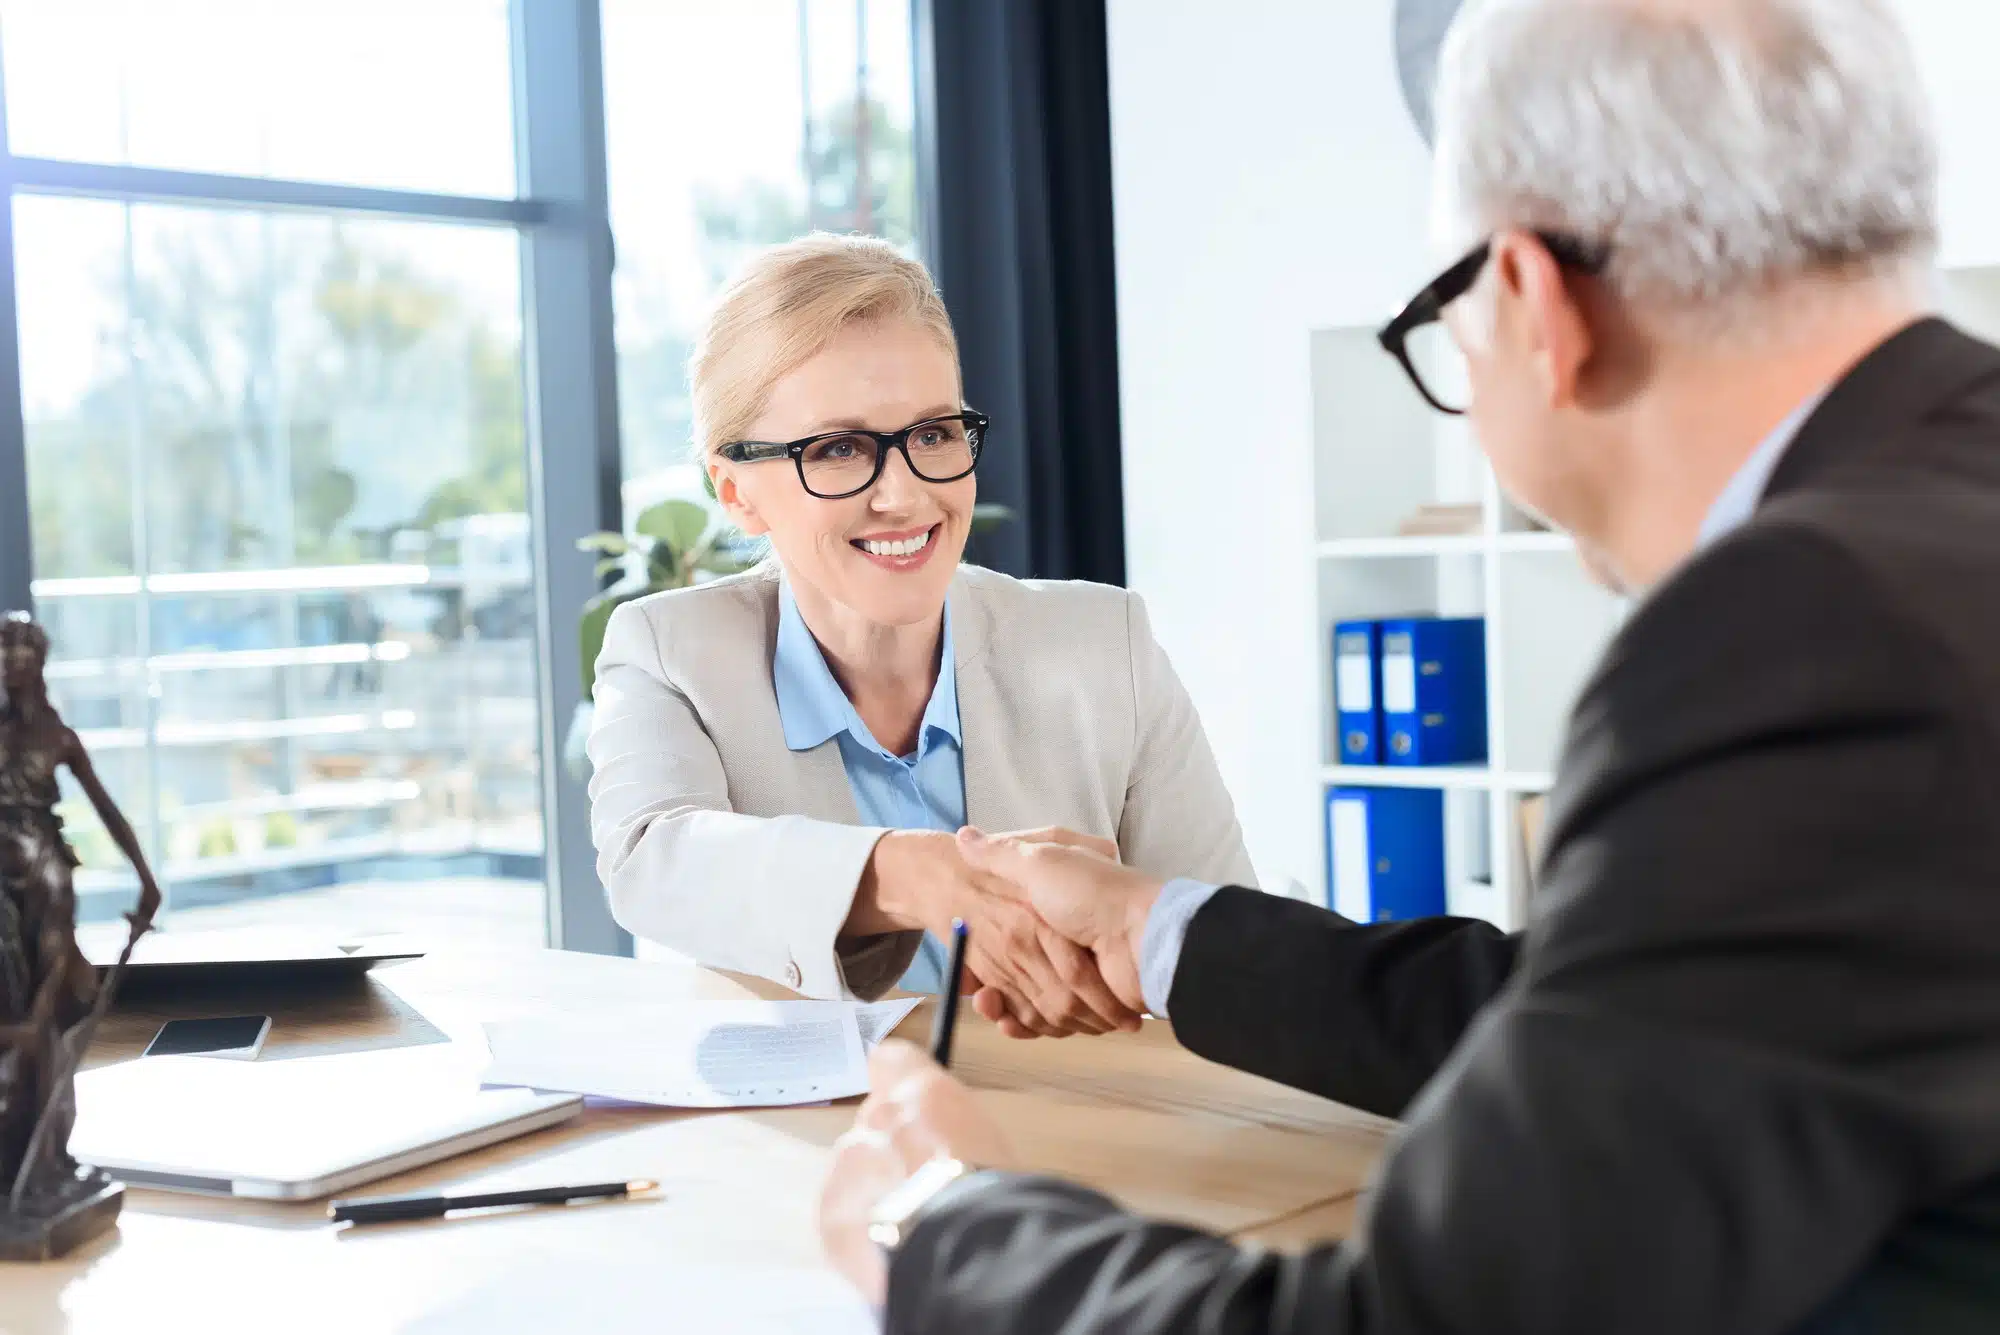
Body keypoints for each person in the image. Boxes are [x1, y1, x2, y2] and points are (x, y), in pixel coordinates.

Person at [818, 0, 2000, 1329]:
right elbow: (1626, 1019)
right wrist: (1158, 926)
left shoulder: (1793, 626)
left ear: (1532, 301)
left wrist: (941, 1215)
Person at [587, 234, 1253, 1037]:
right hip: (823, 1145)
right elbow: (653, 858)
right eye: (837, 449)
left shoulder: (1105, 644)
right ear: (737, 492)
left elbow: (1235, 950)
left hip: (1085, 1127)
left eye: (934, 435)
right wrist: (916, 875)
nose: (902, 495)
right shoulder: (670, 652)